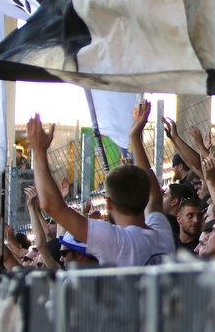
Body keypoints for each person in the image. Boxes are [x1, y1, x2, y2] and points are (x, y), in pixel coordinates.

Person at [28, 101, 174, 267]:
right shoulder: (162, 233)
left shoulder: (118, 242)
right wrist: (135, 137)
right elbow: (154, 194)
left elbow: (51, 206)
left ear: (108, 203)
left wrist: (38, 151)